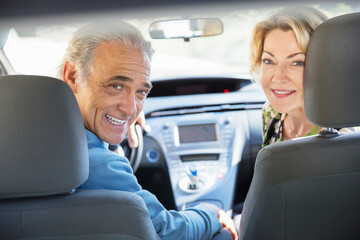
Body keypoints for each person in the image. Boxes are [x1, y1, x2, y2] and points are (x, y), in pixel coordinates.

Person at [57, 21, 237, 240]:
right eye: (116, 86)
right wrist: (212, 212)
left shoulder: (28, 136)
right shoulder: (97, 164)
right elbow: (166, 231)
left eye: (141, 92)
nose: (131, 108)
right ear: (73, 76)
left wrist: (114, 115)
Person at [249, 6, 335, 147]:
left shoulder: (339, 137)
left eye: (297, 62)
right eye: (268, 61)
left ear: (325, 67)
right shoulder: (271, 112)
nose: (278, 77)